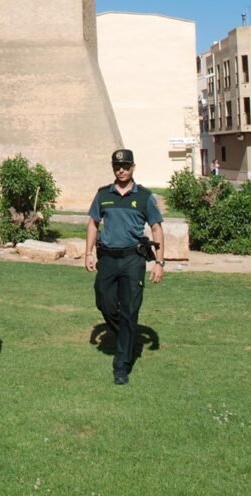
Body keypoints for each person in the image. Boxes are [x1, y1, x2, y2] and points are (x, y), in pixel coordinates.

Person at [85, 148, 165, 385]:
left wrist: (159, 262)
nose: (121, 170)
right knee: (104, 302)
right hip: (108, 259)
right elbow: (93, 223)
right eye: (117, 166)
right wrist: (88, 252)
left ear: (133, 167)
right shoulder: (103, 195)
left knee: (130, 309)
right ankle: (128, 335)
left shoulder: (145, 197)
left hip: (133, 260)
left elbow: (157, 229)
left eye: (126, 166)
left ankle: (121, 364)